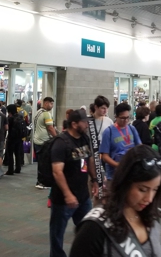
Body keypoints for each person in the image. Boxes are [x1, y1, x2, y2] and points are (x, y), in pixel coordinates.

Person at [69, 145, 161, 257]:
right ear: (125, 182)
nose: (149, 198)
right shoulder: (94, 228)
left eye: (155, 189)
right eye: (142, 189)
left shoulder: (152, 215)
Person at [50, 109, 98, 257]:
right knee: (57, 233)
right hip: (63, 199)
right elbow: (57, 171)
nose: (86, 125)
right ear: (74, 124)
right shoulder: (61, 143)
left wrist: (95, 180)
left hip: (83, 196)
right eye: (84, 122)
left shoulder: (84, 139)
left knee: (87, 229)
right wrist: (68, 194)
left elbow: (89, 160)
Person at [99, 103, 141, 182]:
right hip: (114, 176)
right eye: (123, 118)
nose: (126, 120)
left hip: (131, 174)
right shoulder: (109, 132)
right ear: (116, 117)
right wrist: (120, 165)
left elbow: (140, 147)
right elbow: (105, 157)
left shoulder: (132, 129)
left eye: (128, 117)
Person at [33, 97, 57, 189]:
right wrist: (57, 137)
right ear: (46, 103)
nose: (52, 106)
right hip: (44, 142)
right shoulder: (46, 114)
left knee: (41, 163)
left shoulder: (38, 112)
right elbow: (50, 128)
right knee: (45, 164)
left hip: (37, 140)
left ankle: (40, 181)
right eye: (51, 104)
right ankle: (43, 182)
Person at [5, 104, 23, 175]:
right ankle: (18, 168)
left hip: (11, 138)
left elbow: (7, 128)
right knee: (17, 153)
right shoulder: (20, 116)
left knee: (10, 154)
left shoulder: (10, 118)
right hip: (19, 138)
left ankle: (10, 170)